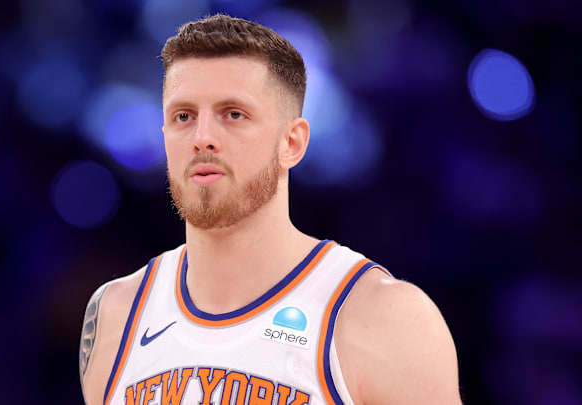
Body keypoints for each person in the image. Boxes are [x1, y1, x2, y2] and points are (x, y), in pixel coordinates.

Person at [79, 14, 461, 405]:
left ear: (292, 142)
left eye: (233, 114)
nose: (202, 138)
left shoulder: (383, 318)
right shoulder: (115, 314)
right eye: (184, 117)